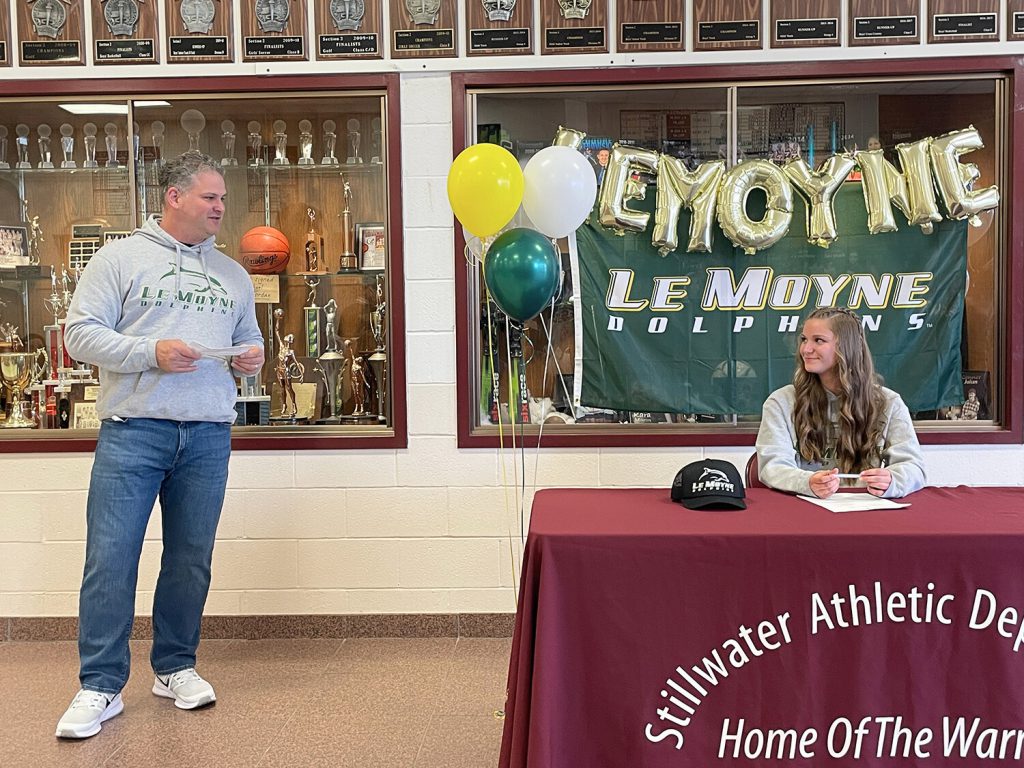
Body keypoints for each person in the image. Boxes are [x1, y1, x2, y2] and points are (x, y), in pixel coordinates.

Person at [57, 151, 264, 739]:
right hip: (134, 432)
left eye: (223, 197)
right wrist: (151, 352)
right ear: (174, 197)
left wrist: (253, 358)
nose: (221, 207)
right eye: (210, 197)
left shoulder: (232, 274)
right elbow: (78, 334)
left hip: (207, 435)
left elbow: (249, 340)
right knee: (110, 559)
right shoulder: (119, 258)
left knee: (190, 559)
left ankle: (174, 666)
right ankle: (99, 685)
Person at [756, 306, 925, 499]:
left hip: (866, 510)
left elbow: (914, 468)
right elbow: (772, 466)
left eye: (818, 340)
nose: (805, 349)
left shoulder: (889, 403)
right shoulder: (781, 402)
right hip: (803, 510)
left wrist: (891, 480)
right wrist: (807, 482)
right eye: (804, 339)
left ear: (846, 347)